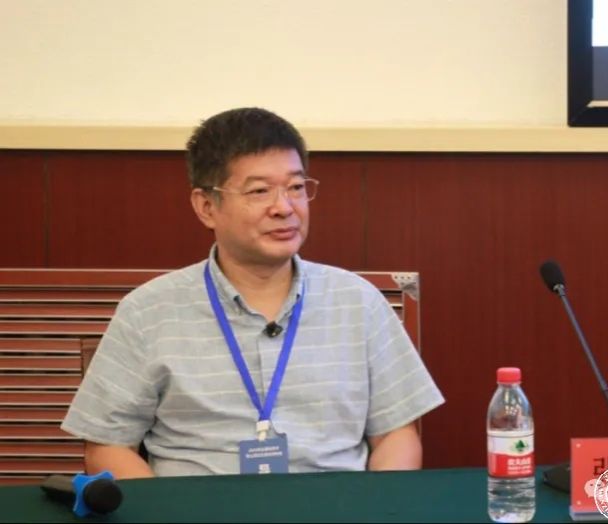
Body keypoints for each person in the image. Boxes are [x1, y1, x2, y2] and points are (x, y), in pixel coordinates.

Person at [61, 107, 445, 478]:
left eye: (296, 187)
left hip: (337, 507)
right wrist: (165, 512)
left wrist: (375, 508)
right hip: (199, 509)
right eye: (260, 191)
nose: (284, 207)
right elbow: (108, 447)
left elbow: (396, 435)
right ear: (206, 206)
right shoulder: (147, 311)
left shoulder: (359, 302)